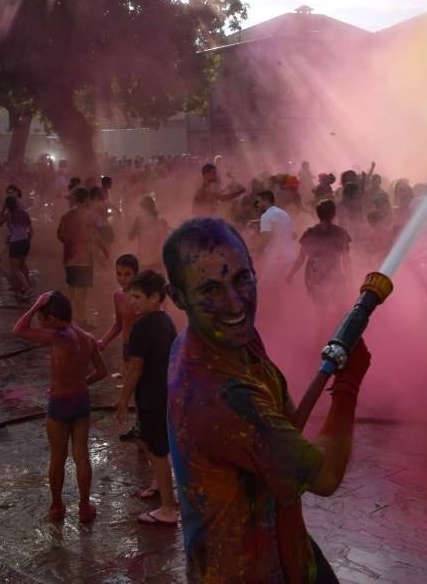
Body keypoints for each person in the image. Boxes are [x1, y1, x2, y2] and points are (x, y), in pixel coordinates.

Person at [164, 218, 371, 582]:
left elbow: (288, 425)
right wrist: (348, 383)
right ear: (177, 296)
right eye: (211, 289)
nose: (234, 304)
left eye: (241, 278)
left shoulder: (234, 338)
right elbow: (324, 476)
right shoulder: (222, 395)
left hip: (283, 542)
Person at [12, 291, 107, 523]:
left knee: (58, 456)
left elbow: (18, 330)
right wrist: (82, 382)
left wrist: (35, 305)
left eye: (41, 318)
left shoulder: (57, 336)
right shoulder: (87, 338)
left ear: (52, 319)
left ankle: (56, 506)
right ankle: (85, 507)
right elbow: (102, 372)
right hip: (81, 400)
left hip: (60, 402)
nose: (38, 322)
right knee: (81, 455)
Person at [116, 270, 179, 525]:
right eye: (131, 296)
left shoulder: (141, 328)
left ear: (154, 297)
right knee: (150, 440)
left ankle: (168, 509)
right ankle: (159, 483)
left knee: (158, 449)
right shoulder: (166, 321)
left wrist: (122, 399)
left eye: (137, 297)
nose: (132, 301)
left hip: (152, 396)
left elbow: (135, 370)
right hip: (167, 392)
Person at [96, 254, 140, 440]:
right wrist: (103, 341)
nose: (122, 278)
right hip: (128, 347)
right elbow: (119, 324)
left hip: (144, 348)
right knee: (135, 389)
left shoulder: (142, 296)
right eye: (119, 274)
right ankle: (140, 426)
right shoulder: (118, 295)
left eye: (127, 274)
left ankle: (152, 427)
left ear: (136, 274)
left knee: (146, 387)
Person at [57, 187, 109, 327]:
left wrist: (71, 243)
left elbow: (60, 235)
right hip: (84, 259)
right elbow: (94, 237)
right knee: (82, 290)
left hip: (70, 258)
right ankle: (80, 319)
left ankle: (64, 318)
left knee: (71, 289)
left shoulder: (66, 216)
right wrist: (104, 250)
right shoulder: (90, 217)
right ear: (86, 199)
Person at [287, 199, 352, 306]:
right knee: (340, 307)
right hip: (335, 274)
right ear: (334, 214)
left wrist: (291, 274)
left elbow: (301, 259)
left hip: (314, 275)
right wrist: (350, 279)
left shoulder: (310, 233)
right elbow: (346, 260)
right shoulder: (341, 233)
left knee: (320, 307)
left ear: (318, 214)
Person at [254, 190, 297, 282]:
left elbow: (265, 240)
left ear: (265, 201)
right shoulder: (284, 214)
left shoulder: (266, 216)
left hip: (276, 260)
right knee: (284, 287)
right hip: (290, 257)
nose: (258, 205)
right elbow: (294, 235)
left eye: (259, 202)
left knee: (265, 288)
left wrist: (256, 253)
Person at [0, 195, 33, 298]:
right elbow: (30, 228)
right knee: (22, 265)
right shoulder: (24, 213)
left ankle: (27, 289)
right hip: (25, 241)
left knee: (15, 269)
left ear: (7, 205)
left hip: (15, 242)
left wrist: (2, 210)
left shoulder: (8, 215)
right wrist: (28, 239)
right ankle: (25, 287)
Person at [128, 196, 170, 273]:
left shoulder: (139, 220)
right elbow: (166, 240)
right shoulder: (162, 220)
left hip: (144, 260)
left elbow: (130, 236)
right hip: (157, 260)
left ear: (142, 208)